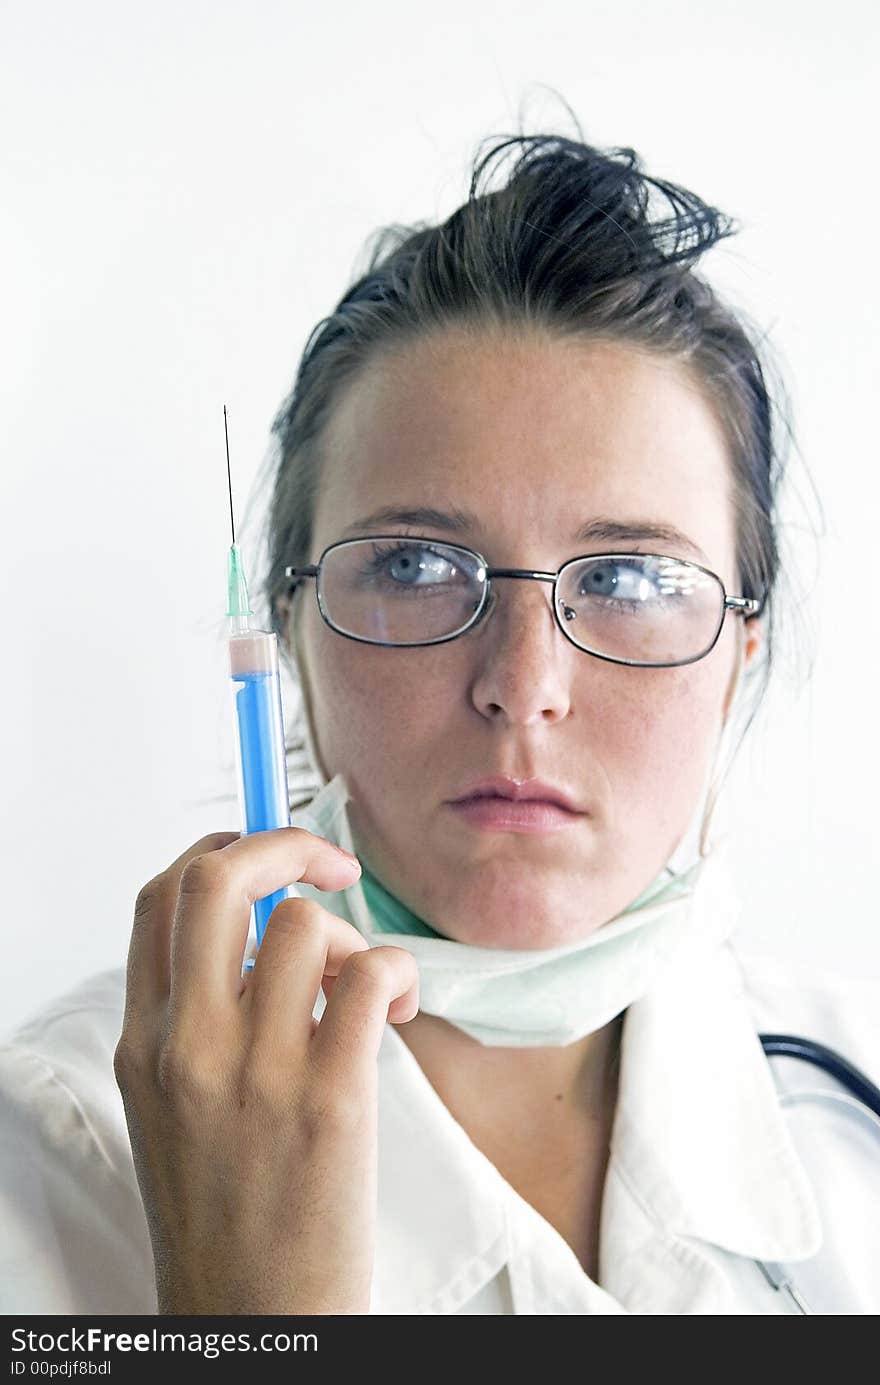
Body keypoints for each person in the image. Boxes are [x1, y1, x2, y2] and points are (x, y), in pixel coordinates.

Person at [2, 121, 877, 1317]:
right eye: (415, 564)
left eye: (627, 579)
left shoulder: (855, 1096)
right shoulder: (51, 1148)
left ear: (738, 653)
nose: (523, 684)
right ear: (288, 633)